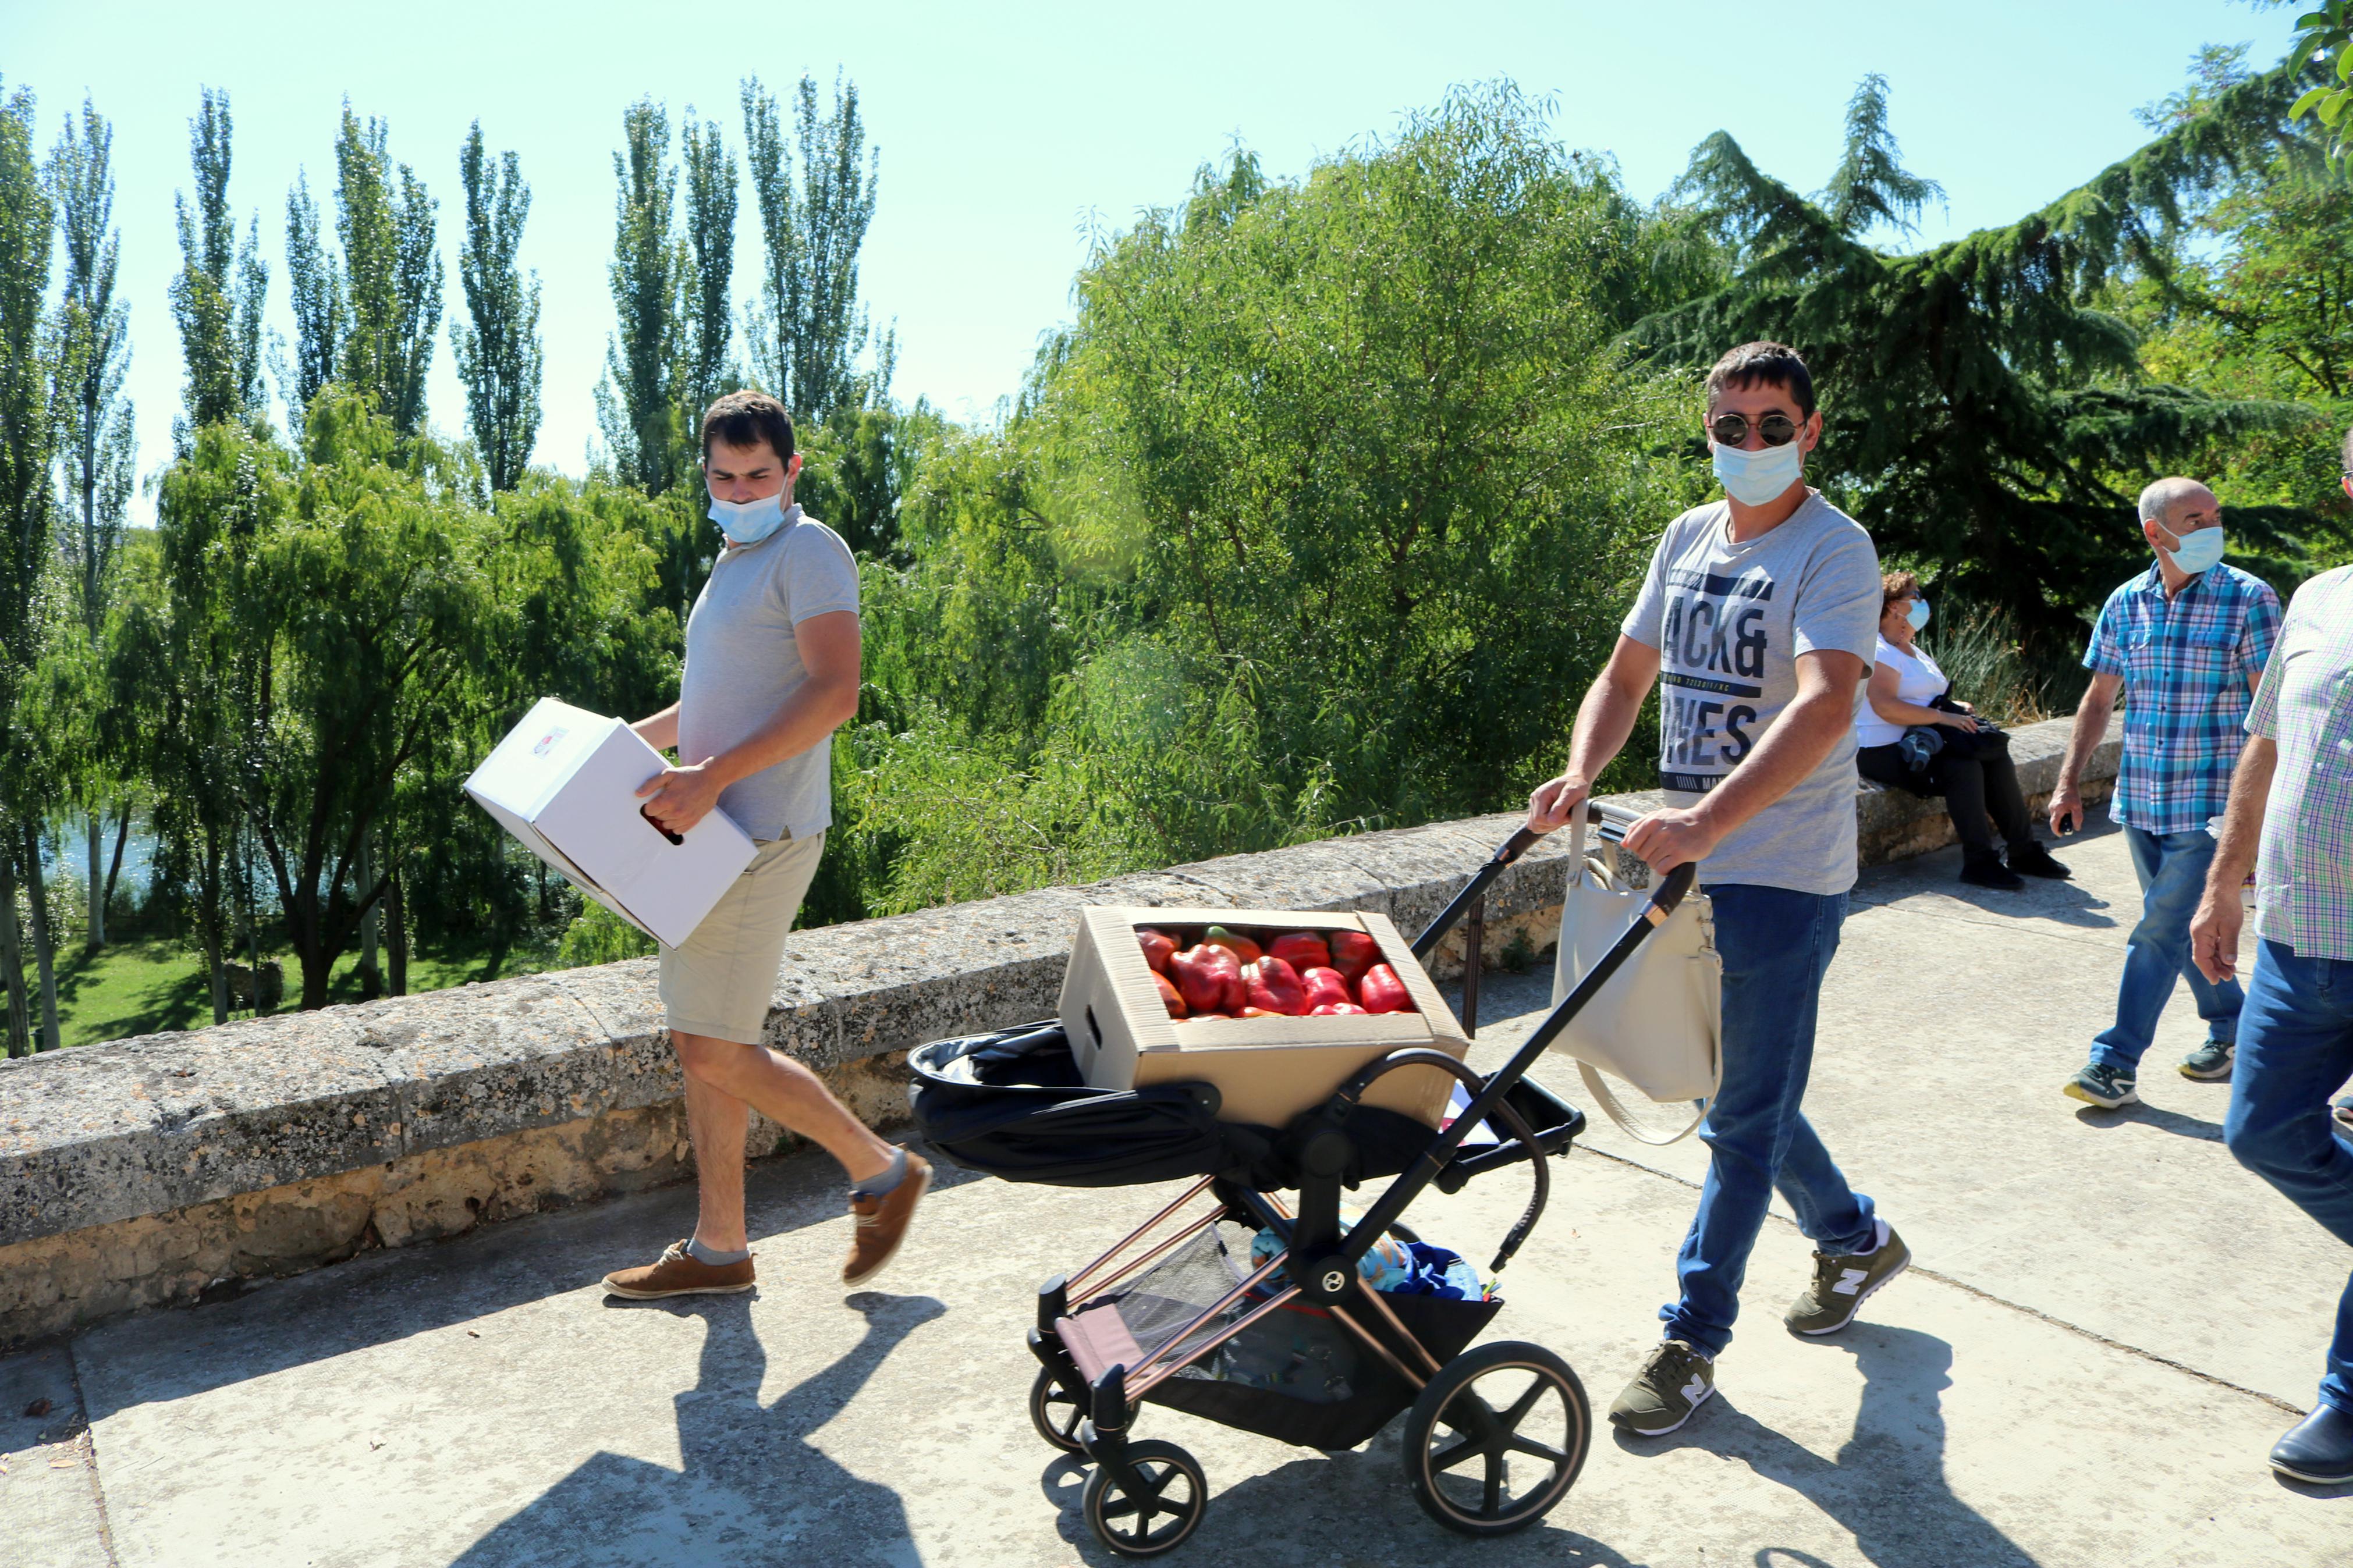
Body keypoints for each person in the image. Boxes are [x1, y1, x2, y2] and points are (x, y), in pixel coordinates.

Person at [1527, 341, 1907, 1438]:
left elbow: (1827, 705)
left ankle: (1691, 1340)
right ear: (1708, 431)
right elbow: (1624, 671)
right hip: (1683, 863)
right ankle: (1852, 1239)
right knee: (1734, 1084)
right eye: (1729, 425)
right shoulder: (1686, 536)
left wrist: (1705, 820)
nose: (1749, 443)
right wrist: (1585, 768)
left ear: (1809, 429)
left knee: (1737, 1118)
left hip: (1780, 874)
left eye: (1770, 423)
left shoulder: (1833, 550)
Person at [601, 391, 929, 1302]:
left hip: (756, 831)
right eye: (722, 476)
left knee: (710, 1047)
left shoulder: (809, 551)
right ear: (703, 478)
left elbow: (834, 694)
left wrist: (706, 774)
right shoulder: (735, 561)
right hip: (708, 834)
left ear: (791, 472)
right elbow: (713, 703)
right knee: (706, 1037)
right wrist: (628, 742)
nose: (738, 489)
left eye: (756, 474)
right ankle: (720, 1248)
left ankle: (880, 1171)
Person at [2192, 431, 2353, 1484]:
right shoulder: (2318, 596)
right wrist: (2222, 878)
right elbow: (2264, 743)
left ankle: (2345, 1399)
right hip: (2302, 935)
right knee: (2258, 1132)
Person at [2050, 478, 2280, 1109]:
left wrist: (2265, 811)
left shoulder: (2248, 599)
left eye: (2213, 513)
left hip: (2212, 808)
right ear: (2155, 533)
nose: (2210, 524)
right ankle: (2232, 1027)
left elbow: (2272, 711)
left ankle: (2113, 1062)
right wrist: (2068, 781)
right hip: (2141, 801)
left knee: (2156, 931)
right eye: (2193, 516)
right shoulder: (2124, 602)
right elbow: (2099, 700)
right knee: (2174, 933)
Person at [1852, 571, 2071, 890]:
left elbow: (1921, 696)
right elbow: (1885, 706)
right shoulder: (1878, 649)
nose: (1923, 602)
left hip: (1923, 741)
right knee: (1963, 767)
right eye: (1916, 596)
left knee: (1993, 755)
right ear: (1894, 606)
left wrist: (1956, 707)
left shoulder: (1914, 651)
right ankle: (1979, 863)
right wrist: (1944, 718)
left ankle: (2024, 851)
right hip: (1883, 750)